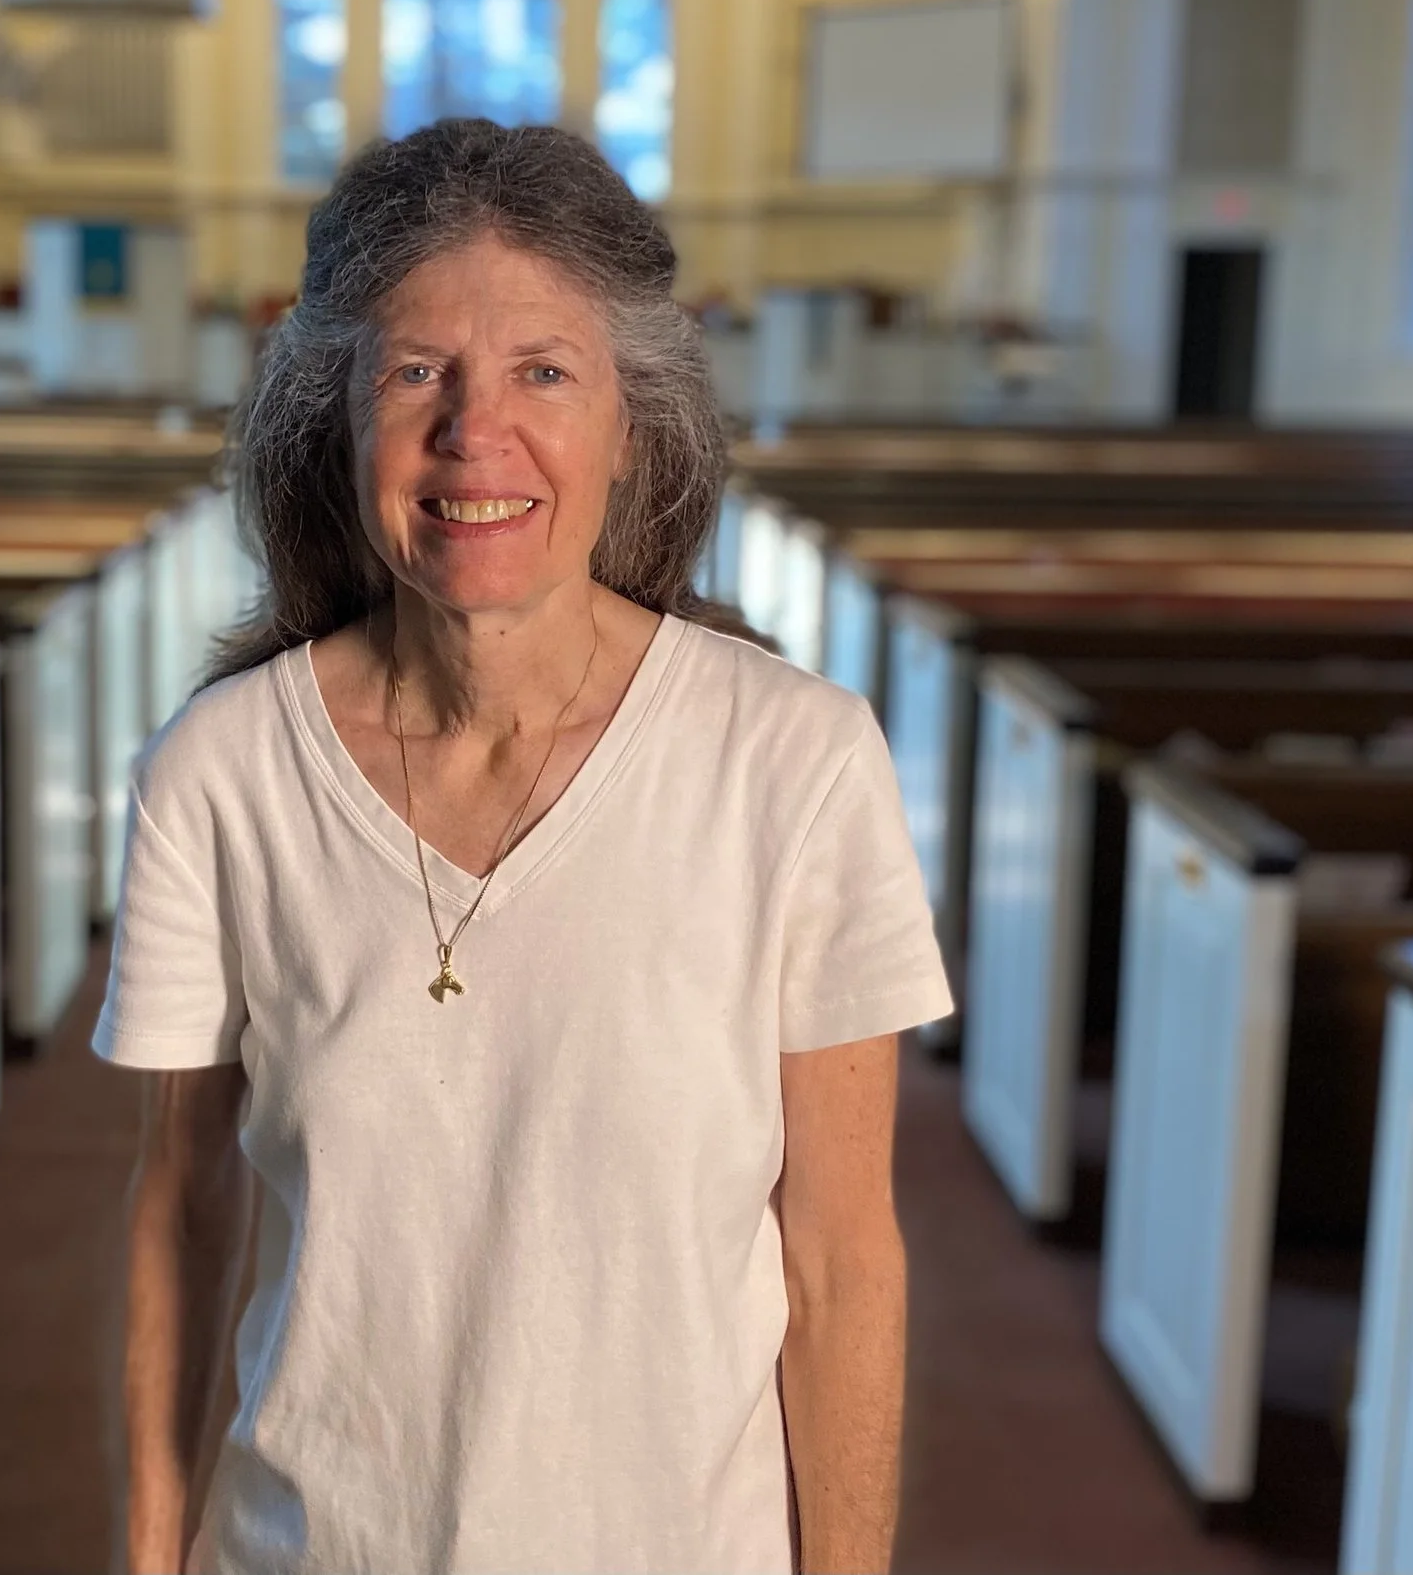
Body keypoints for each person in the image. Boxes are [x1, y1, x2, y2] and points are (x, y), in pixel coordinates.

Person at [94, 119, 950, 1575]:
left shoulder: (796, 763)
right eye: (418, 370)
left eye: (543, 371)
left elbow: (840, 1254)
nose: (472, 433)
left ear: (635, 421)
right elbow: (183, 1206)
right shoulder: (221, 771)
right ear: (340, 418)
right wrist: (150, 1551)